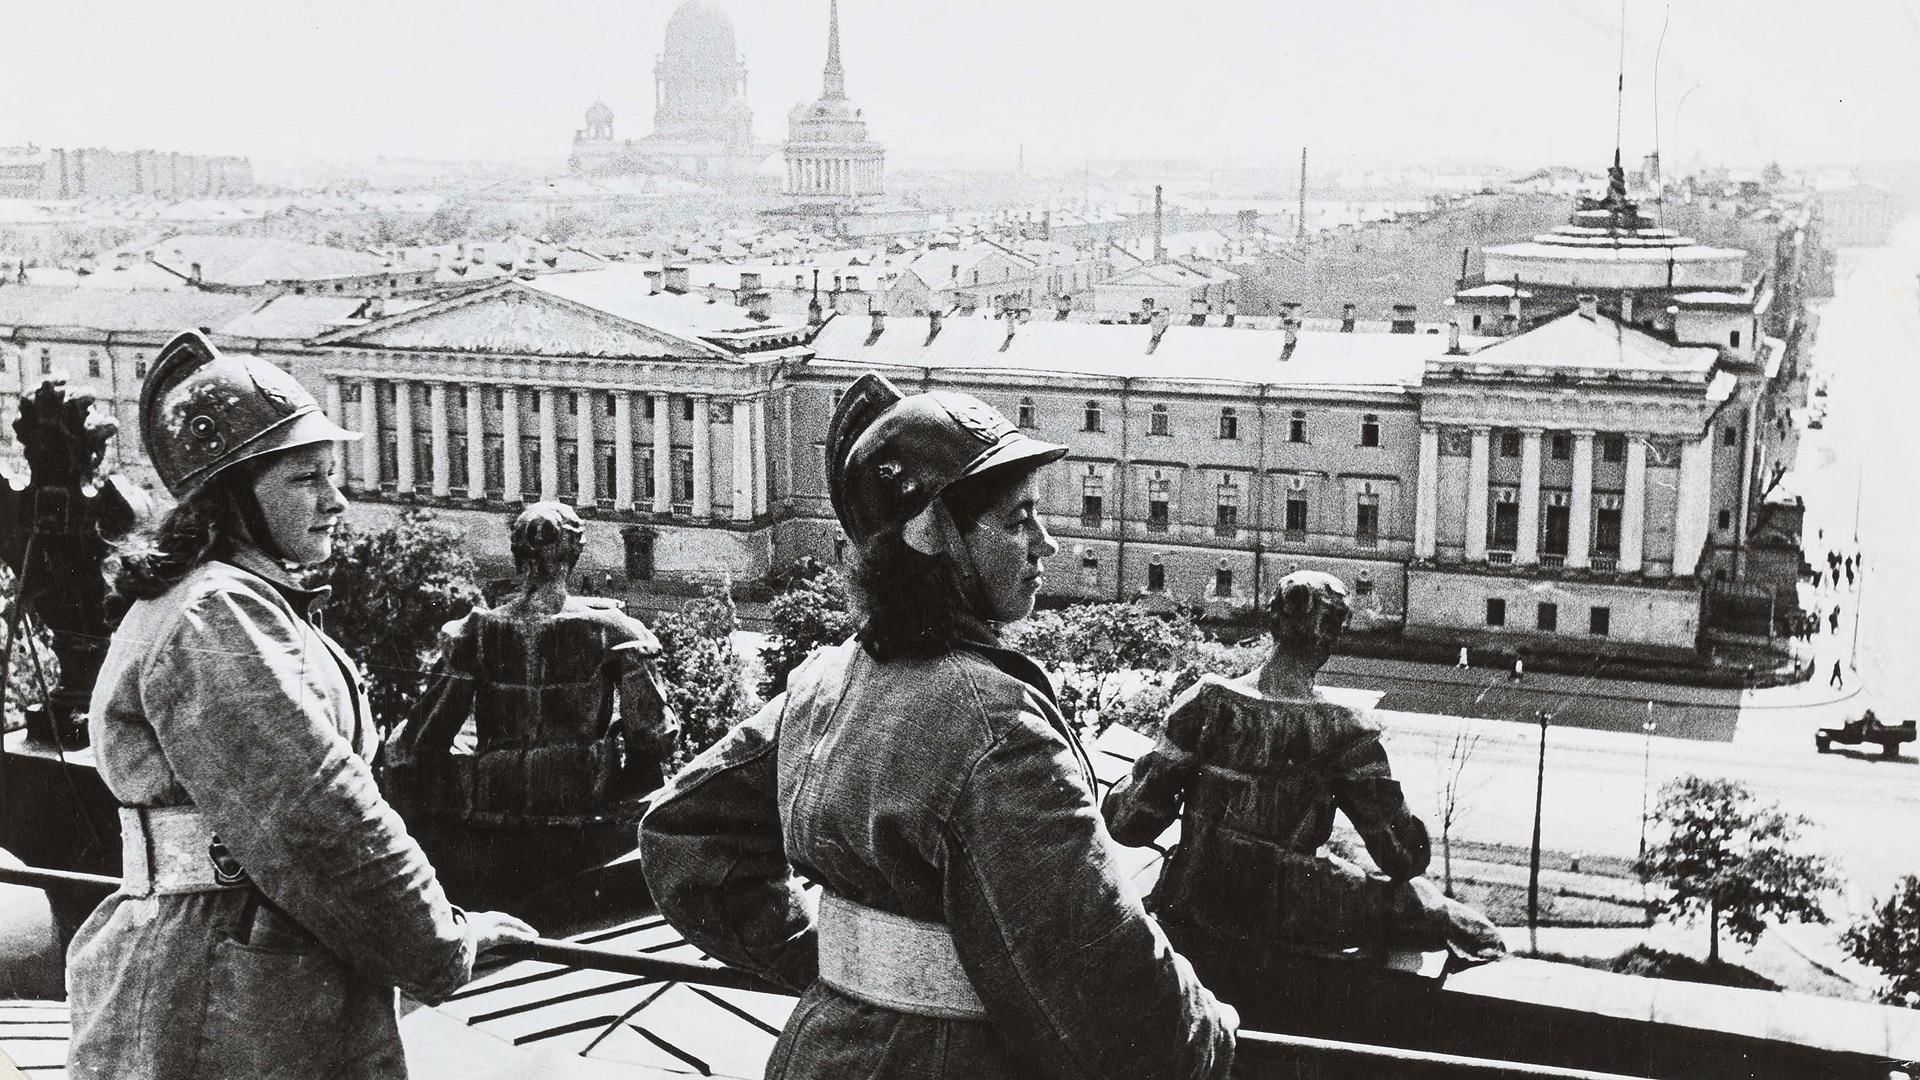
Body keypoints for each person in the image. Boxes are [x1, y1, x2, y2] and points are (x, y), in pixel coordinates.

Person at [639, 374, 1236, 1080]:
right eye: (1017, 520)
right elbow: (1116, 994)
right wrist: (1211, 1035)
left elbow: (682, 831)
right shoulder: (999, 729)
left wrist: (845, 969)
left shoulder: (828, 680)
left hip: (820, 1052)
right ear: (936, 538)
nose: (1046, 544)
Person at [67, 332, 534, 1079]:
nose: (336, 500)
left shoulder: (233, 603)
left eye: (331, 474)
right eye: (304, 479)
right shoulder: (214, 615)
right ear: (233, 494)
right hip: (220, 988)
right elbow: (322, 816)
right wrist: (445, 945)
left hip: (243, 967)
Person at [1103, 571, 1504, 1003]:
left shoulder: (1207, 701)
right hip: (1290, 907)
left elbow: (1129, 824)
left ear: (1273, 622)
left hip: (1196, 897)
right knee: (1461, 923)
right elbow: (1403, 858)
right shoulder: (1345, 728)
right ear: (1331, 636)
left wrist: (1131, 775)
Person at [384, 501, 679, 911]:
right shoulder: (615, 631)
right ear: (575, 553)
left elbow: (420, 740)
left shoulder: (477, 631)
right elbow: (653, 733)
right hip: (586, 813)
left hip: (494, 809)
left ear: (516, 554)